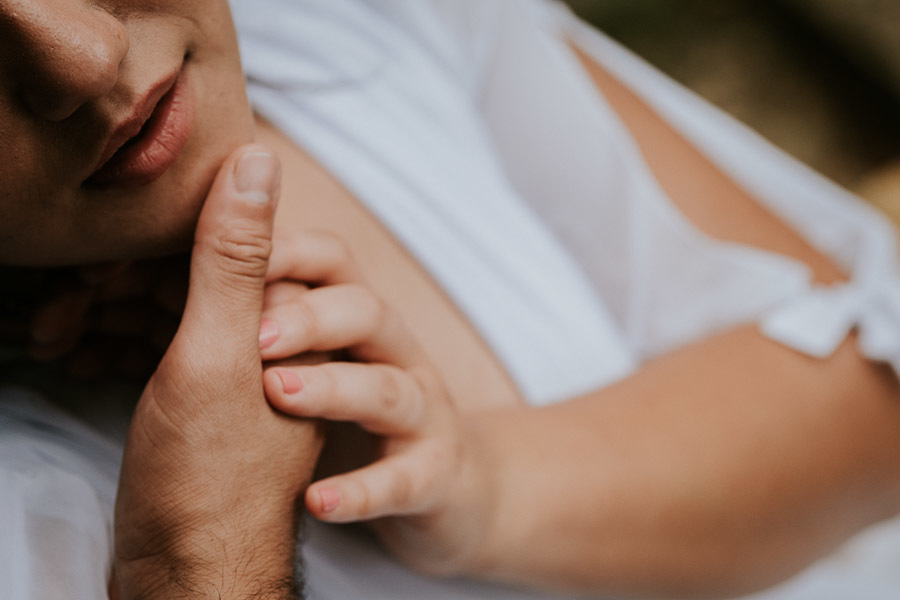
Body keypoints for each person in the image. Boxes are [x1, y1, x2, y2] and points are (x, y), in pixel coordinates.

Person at [1, 0, 900, 599]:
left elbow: (875, 401)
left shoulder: (349, 27)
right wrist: (197, 562)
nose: (83, 58)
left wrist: (488, 482)